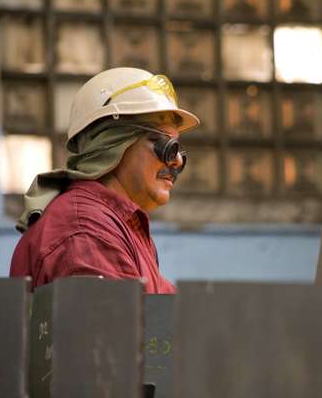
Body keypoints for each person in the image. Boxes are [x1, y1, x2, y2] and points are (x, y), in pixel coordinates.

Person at [10, 67, 200, 293]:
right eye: (167, 146)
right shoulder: (88, 231)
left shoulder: (117, 224)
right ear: (114, 143)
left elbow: (168, 308)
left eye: (179, 149)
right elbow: (115, 324)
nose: (177, 161)